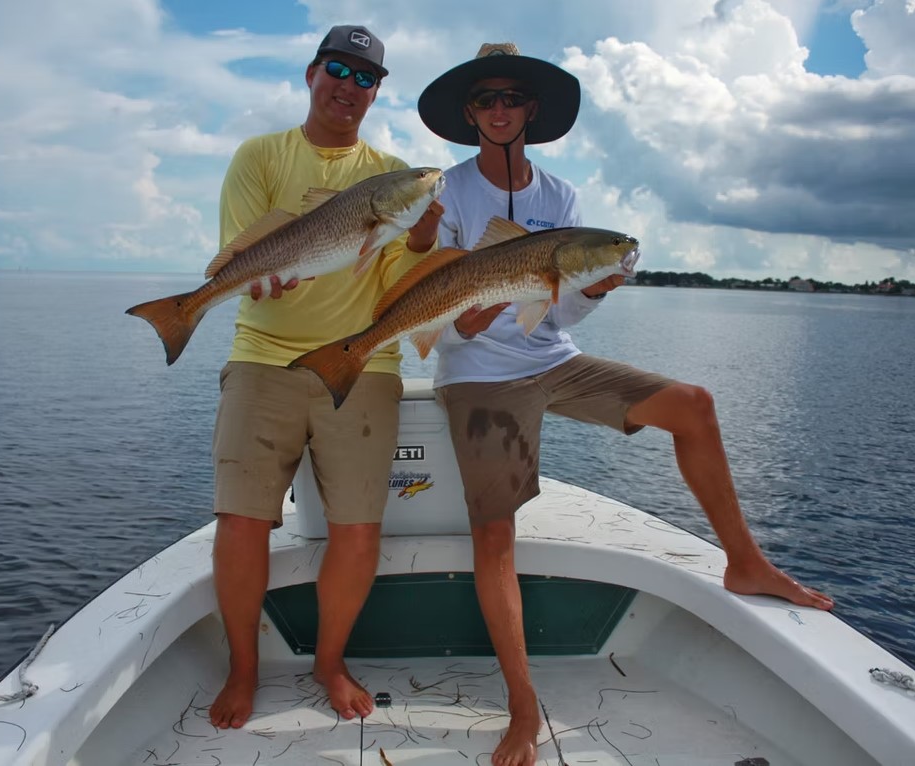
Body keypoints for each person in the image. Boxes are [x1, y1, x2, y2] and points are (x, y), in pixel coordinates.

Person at [418, 43, 834, 766]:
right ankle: (522, 704)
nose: (498, 110)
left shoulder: (560, 197)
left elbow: (556, 320)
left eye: (510, 97)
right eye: (484, 99)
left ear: (531, 111)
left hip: (552, 361)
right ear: (468, 114)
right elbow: (452, 320)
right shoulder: (446, 194)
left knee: (694, 404)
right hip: (479, 376)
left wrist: (590, 288)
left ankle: (745, 562)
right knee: (494, 534)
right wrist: (474, 307)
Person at [209, 25, 441, 729]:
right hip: (262, 354)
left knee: (358, 531)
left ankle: (328, 663)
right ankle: (242, 671)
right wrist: (250, 282)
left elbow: (402, 281)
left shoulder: (392, 177)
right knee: (241, 520)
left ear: (376, 92)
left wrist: (423, 236)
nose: (349, 85)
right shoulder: (261, 155)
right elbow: (240, 252)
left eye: (365, 77)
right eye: (338, 69)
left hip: (363, 364)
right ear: (311, 74)